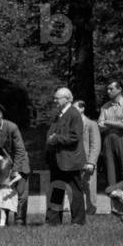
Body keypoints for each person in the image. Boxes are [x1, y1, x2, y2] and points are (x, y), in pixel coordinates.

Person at [45, 87, 87, 226]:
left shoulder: (74, 114)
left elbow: (75, 137)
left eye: (57, 98)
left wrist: (56, 138)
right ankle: (53, 221)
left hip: (70, 160)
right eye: (55, 97)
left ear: (68, 99)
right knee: (56, 190)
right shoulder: (59, 114)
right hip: (57, 160)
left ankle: (78, 221)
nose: (55, 100)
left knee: (74, 191)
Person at [0, 102, 30, 226]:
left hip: (19, 163)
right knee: (2, 193)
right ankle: (1, 221)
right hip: (3, 164)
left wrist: (16, 169)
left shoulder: (12, 127)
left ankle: (19, 221)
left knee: (20, 194)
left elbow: (20, 149)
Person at [98, 80, 123, 188]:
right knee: (111, 171)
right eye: (107, 89)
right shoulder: (105, 106)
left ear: (119, 89)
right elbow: (99, 126)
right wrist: (114, 124)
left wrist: (107, 122)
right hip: (108, 140)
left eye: (111, 89)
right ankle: (115, 201)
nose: (108, 91)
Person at [73, 101, 101, 215]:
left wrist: (91, 162)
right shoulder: (72, 124)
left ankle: (91, 210)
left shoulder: (91, 124)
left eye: (74, 108)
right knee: (76, 187)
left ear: (82, 109)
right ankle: (78, 211)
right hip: (75, 161)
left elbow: (95, 144)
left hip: (88, 162)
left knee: (90, 187)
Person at [0, 156, 20, 227]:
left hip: (8, 191)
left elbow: (19, 176)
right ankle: (0, 222)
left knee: (2, 208)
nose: (3, 170)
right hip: (1, 190)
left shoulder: (11, 171)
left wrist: (12, 181)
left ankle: (2, 224)